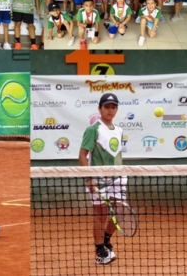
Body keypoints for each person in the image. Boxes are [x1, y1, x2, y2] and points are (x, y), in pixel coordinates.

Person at [79, 93, 124, 265]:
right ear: (100, 109)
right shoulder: (93, 129)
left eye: (113, 107)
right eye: (107, 107)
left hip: (118, 178)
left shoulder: (119, 130)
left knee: (119, 212)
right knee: (101, 214)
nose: (110, 110)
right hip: (99, 179)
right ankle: (100, 252)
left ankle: (106, 241)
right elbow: (82, 155)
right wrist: (88, 178)